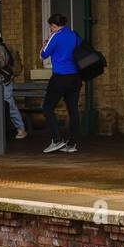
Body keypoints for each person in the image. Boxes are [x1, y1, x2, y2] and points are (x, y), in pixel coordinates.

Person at [40, 13, 83, 154]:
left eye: (51, 27)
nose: (50, 29)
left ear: (54, 25)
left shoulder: (56, 36)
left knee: (47, 107)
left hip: (60, 77)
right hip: (76, 77)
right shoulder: (74, 35)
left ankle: (57, 140)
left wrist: (45, 44)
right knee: (73, 110)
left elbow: (43, 55)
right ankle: (72, 144)